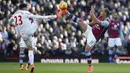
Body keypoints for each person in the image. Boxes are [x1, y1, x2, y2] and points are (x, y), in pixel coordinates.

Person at [9, 3, 61, 73]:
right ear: (24, 8)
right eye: (26, 7)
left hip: (23, 34)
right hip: (30, 32)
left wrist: (17, 30)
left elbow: (11, 22)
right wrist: (54, 16)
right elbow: (38, 16)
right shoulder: (26, 13)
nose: (27, 8)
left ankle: (29, 64)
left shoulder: (14, 15)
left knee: (29, 48)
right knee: (40, 20)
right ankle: (32, 64)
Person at [59, 2, 110, 72]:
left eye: (102, 11)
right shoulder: (100, 17)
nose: (101, 12)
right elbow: (94, 22)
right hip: (90, 30)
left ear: (105, 13)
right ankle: (66, 13)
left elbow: (96, 21)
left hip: (94, 37)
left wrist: (92, 13)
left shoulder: (107, 22)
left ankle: (90, 66)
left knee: (87, 50)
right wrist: (86, 24)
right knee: (80, 21)